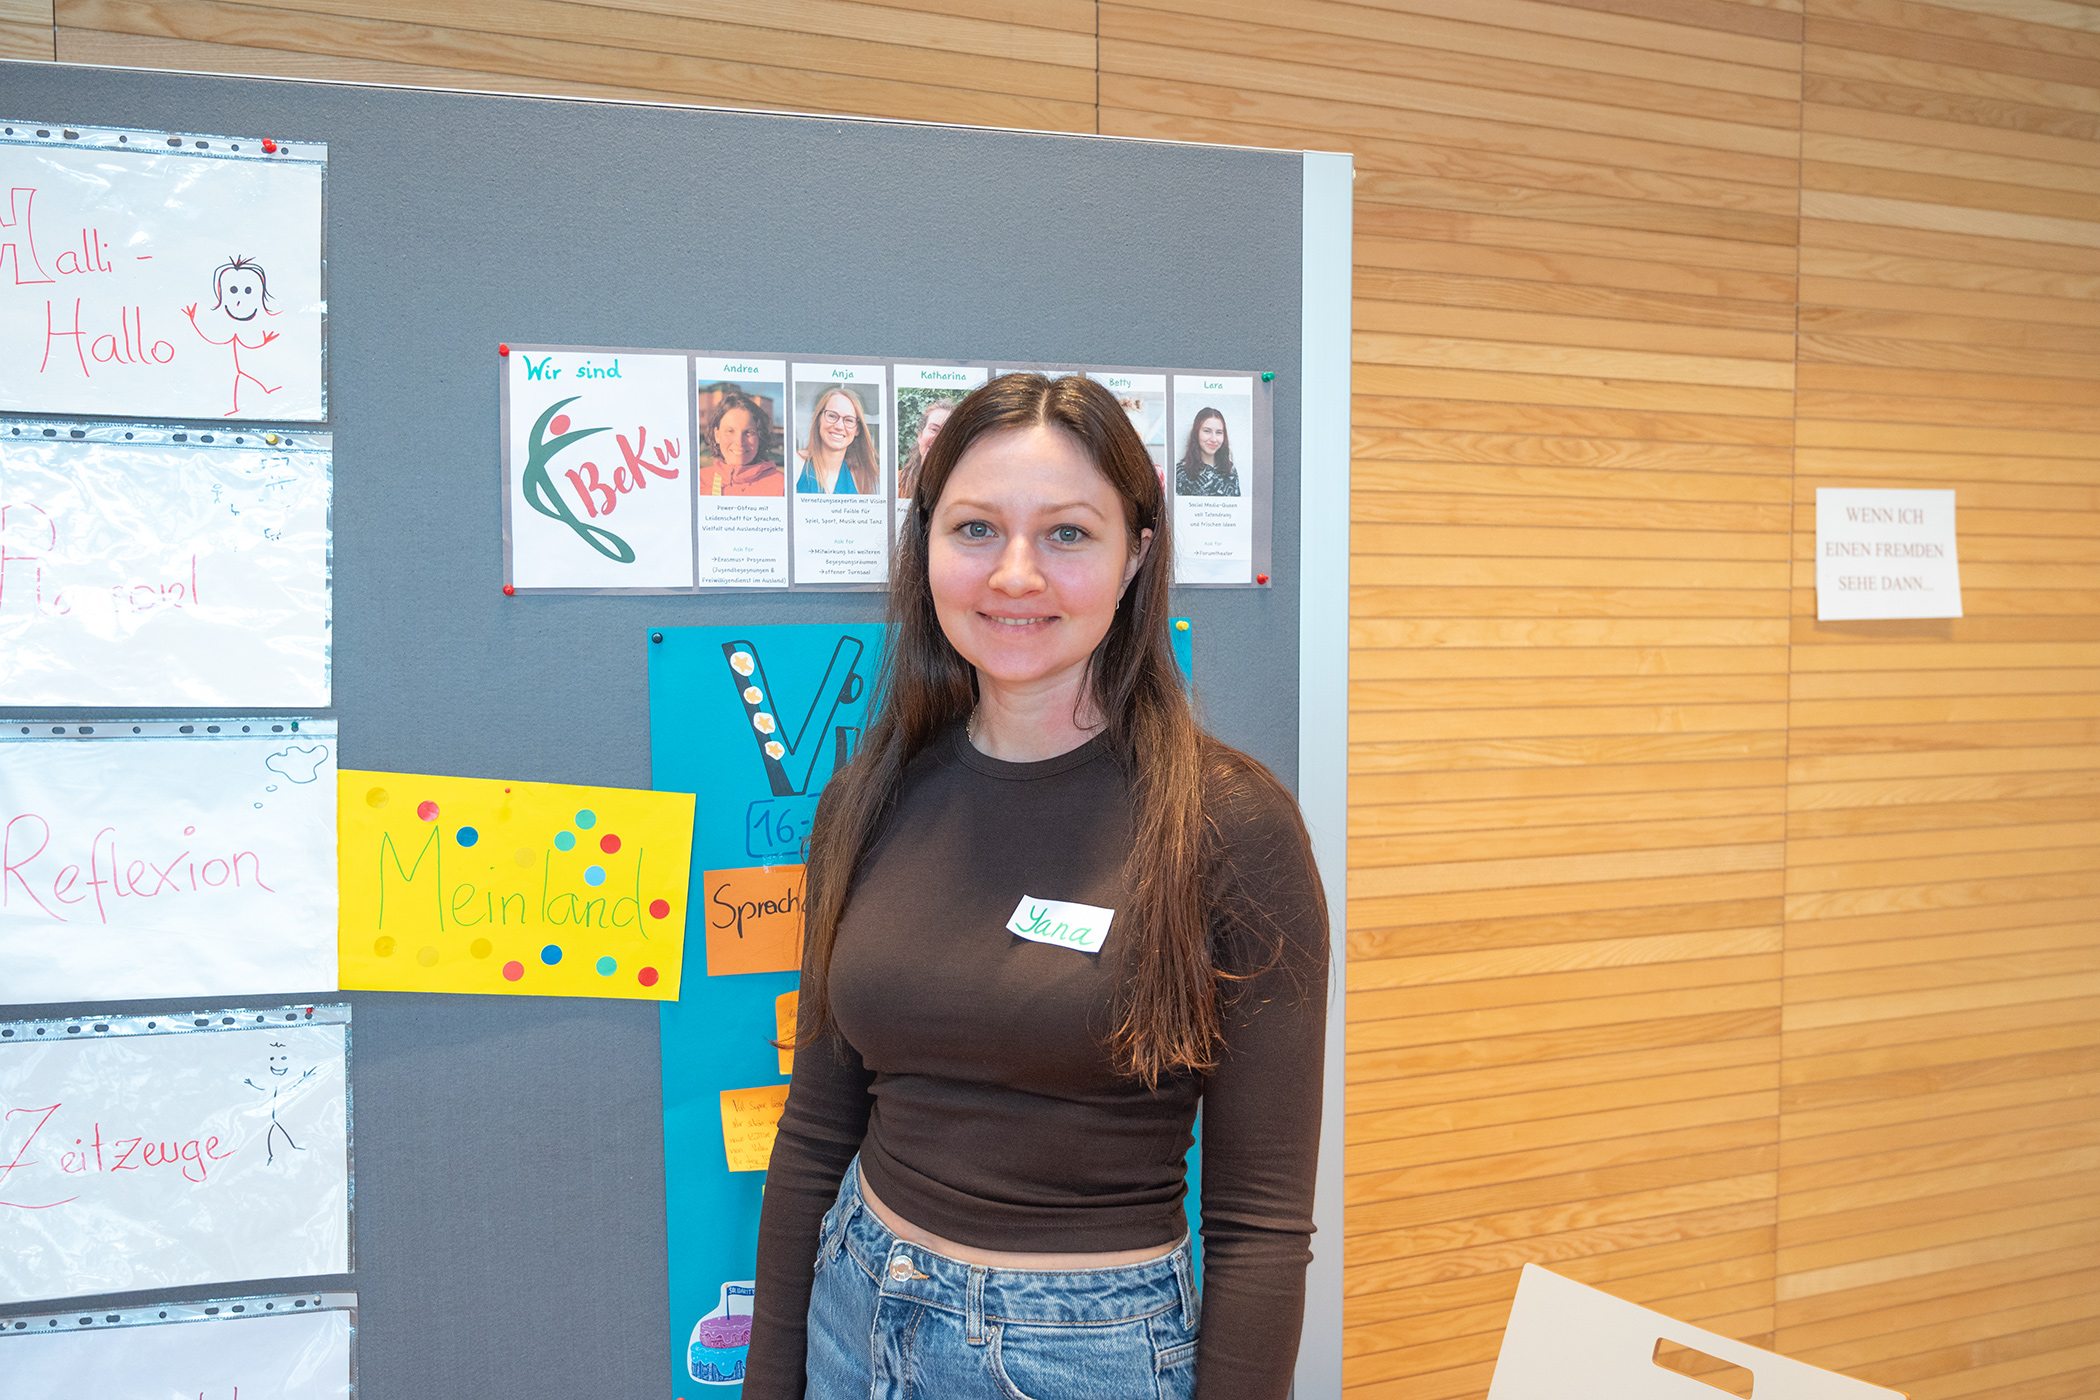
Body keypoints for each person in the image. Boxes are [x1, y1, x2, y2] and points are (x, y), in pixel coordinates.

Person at [745, 373, 1328, 1400]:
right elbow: (816, 1130)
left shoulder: (1228, 825)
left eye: (1067, 533)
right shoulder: (868, 796)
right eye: (975, 528)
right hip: (856, 1306)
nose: (1016, 574)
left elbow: (1260, 1223)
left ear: (1136, 554)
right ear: (926, 545)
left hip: (1084, 1350)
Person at [796, 385, 880, 494]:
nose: (839, 426)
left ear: (857, 429)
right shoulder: (797, 463)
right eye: (832, 416)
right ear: (818, 419)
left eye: (849, 420)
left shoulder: (863, 478)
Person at [698, 390, 784, 496]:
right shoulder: (698, 481)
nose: (739, 442)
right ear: (717, 435)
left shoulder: (781, 486)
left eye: (749, 432)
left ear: (759, 436)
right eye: (730, 431)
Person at [895, 397, 956, 499]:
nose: (939, 439)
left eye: (947, 432)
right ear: (920, 435)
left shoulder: (961, 488)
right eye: (934, 429)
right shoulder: (896, 483)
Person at [1175, 407, 1240, 497]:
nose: (1213, 439)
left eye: (1219, 432)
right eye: (1207, 431)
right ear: (1196, 433)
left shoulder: (1230, 471)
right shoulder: (1181, 472)